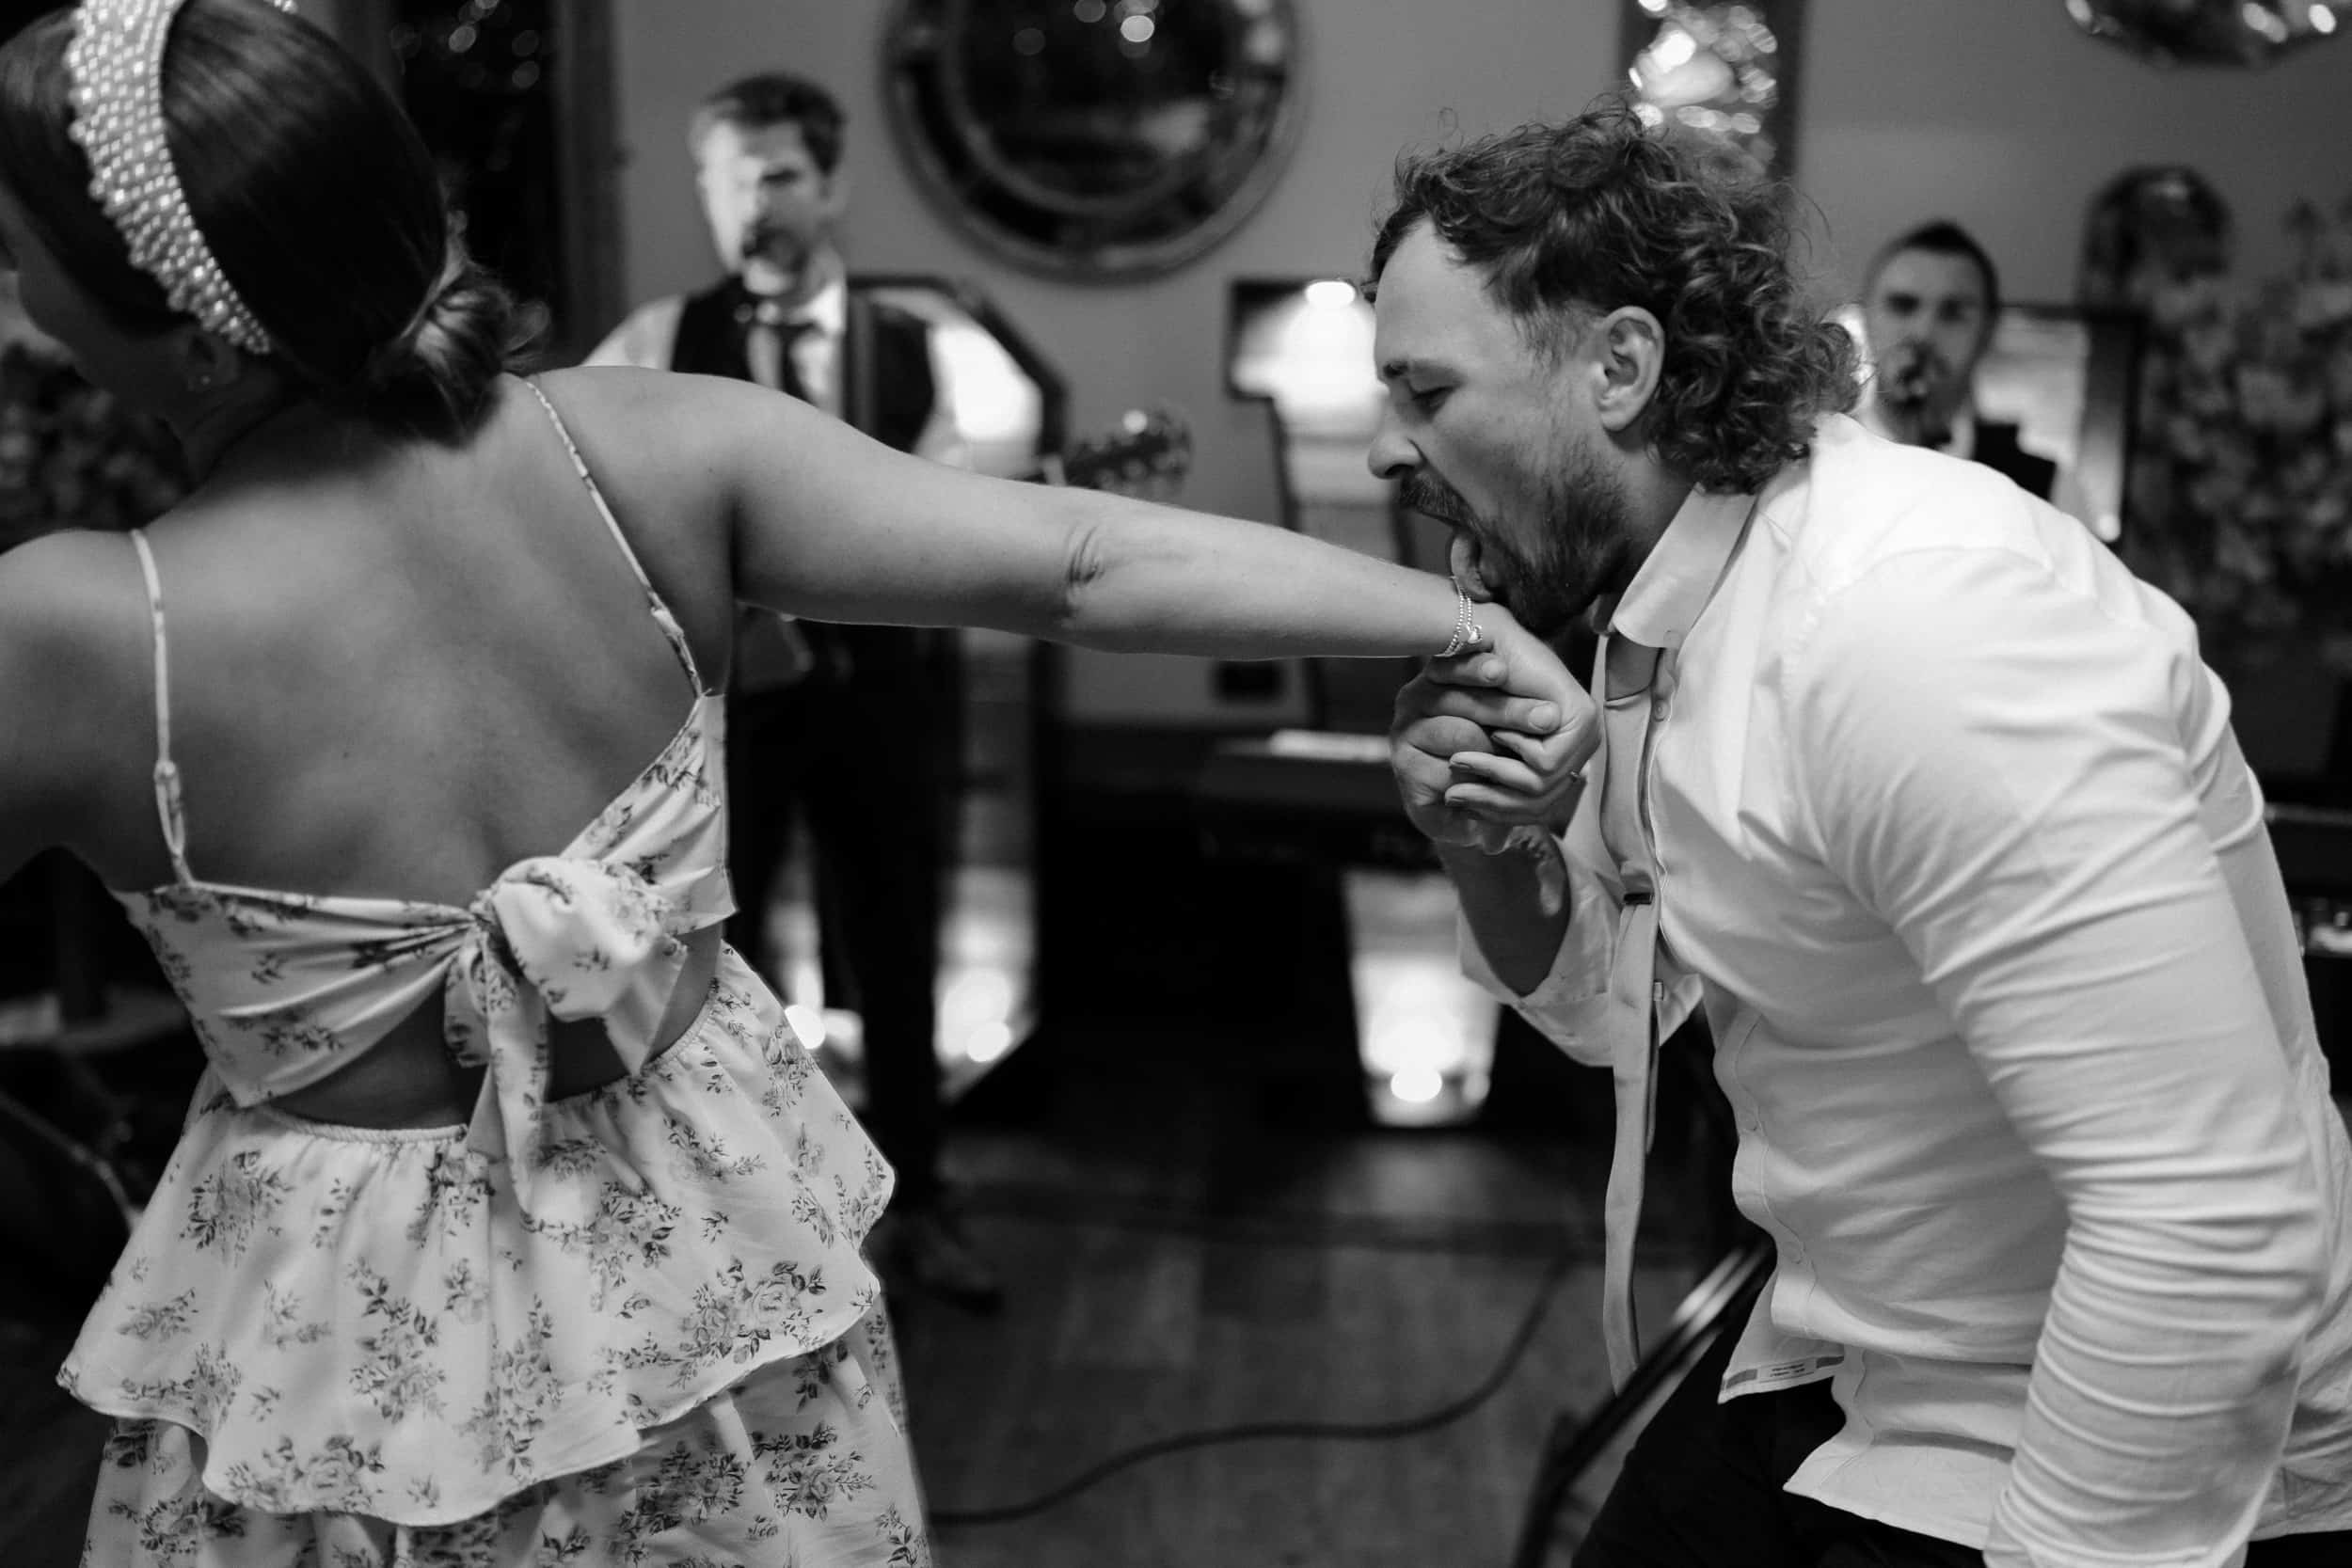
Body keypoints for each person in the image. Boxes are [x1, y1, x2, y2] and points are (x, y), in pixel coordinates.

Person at [0, 3, 1582, 1562]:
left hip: (337, 1355)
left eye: (19, 254)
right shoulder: (649, 447)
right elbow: (1085, 559)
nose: (9, 289)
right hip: (707, 1274)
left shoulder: (75, 633)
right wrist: (1465, 623)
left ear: (190, 326)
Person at [1375, 103, 2352, 1566]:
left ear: (1620, 367)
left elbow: (2202, 1220)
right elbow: (1607, 1007)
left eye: (1426, 391)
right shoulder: (1670, 610)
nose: (1386, 449)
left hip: (2092, 1420)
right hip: (1852, 1354)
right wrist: (1484, 839)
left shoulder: (1911, 624)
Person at [585, 72, 994, 1311]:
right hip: (722, 717)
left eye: (774, 176)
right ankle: (741, 1225)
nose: (748, 205)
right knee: (719, 960)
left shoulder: (912, 349)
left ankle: (918, 1200)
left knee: (899, 944)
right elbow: (581, 502)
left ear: (831, 185)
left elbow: (945, 523)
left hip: (882, 699)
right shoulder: (653, 344)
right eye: (724, 180)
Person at [1855, 218, 2059, 499]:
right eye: (1902, 306)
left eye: (1953, 313)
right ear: (1865, 315)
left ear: (1989, 329)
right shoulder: (1810, 463)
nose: (1923, 333)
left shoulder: (2047, 489)